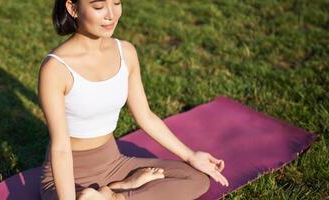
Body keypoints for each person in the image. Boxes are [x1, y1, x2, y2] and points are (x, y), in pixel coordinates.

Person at [37, 0, 229, 199]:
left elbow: (145, 116)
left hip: (114, 162)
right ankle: (116, 190)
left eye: (117, 3)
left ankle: (118, 194)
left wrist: (190, 156)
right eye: (98, 7)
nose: (111, 14)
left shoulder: (126, 52)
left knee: (196, 179)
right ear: (73, 8)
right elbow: (60, 149)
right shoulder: (56, 68)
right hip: (69, 174)